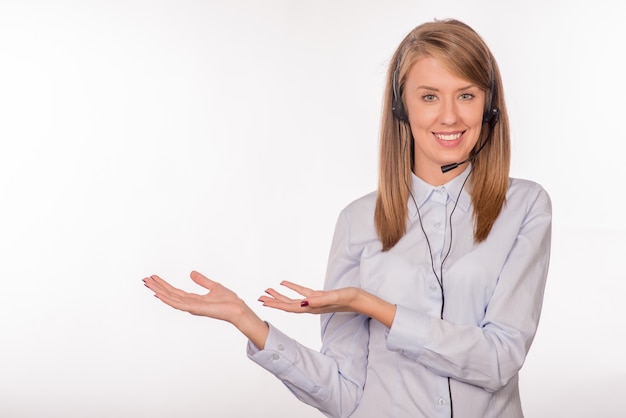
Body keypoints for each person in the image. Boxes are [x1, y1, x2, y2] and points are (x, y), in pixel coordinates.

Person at [143, 18, 551, 418]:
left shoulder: (525, 206)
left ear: (490, 105)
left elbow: (500, 359)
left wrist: (373, 306)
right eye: (429, 96)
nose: (449, 116)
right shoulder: (358, 221)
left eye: (466, 95)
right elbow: (345, 394)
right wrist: (249, 322)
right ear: (401, 107)